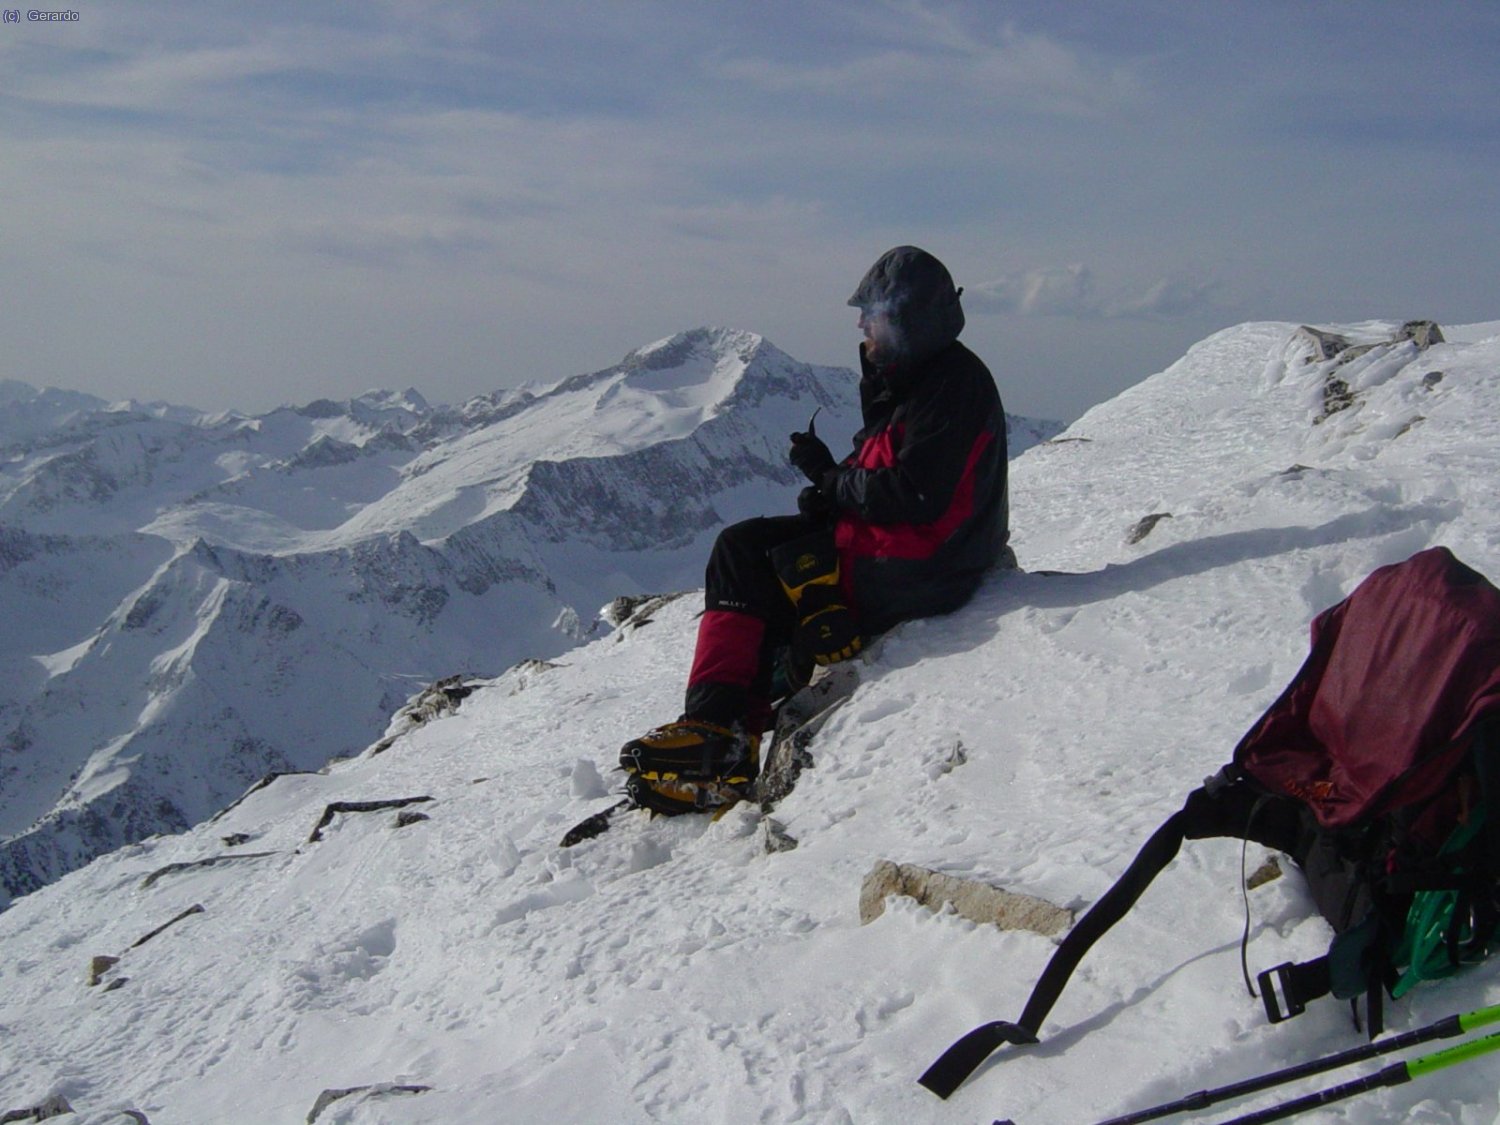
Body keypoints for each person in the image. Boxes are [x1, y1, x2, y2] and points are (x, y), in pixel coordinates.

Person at [619, 245, 1012, 815]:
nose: (860, 325)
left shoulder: (949, 386)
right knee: (753, 551)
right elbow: (886, 469)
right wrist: (831, 486)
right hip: (910, 555)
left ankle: (720, 742)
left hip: (918, 569)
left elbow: (912, 493)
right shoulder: (923, 379)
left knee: (752, 559)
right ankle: (722, 736)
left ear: (907, 320)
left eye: (872, 315)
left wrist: (831, 483)